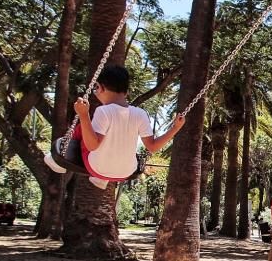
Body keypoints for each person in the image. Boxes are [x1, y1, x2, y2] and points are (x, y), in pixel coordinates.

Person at [44, 65, 185, 189]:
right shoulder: (141, 114)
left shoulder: (103, 111)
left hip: (96, 168)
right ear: (126, 91)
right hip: (126, 173)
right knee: (114, 137)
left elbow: (92, 146)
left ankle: (55, 161)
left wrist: (83, 115)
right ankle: (102, 180)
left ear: (100, 88)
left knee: (83, 128)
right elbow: (153, 147)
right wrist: (176, 127)